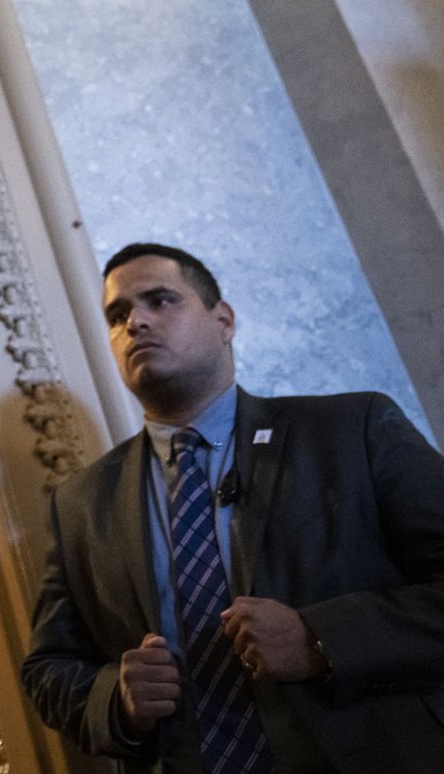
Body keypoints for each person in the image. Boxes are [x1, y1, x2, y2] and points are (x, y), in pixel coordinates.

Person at [23, 243, 444, 773]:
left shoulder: (352, 430)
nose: (137, 323)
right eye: (118, 315)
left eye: (161, 301)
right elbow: (48, 669)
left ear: (223, 320)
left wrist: (321, 638)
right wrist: (117, 698)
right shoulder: (81, 504)